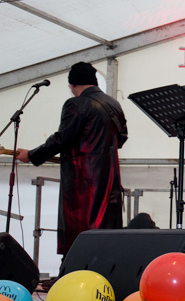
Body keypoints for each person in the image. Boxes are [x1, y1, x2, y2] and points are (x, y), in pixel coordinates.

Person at [15, 62, 127, 256]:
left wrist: (31, 155)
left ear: (73, 84)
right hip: (109, 180)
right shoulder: (113, 104)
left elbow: (62, 139)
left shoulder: (76, 104)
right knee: (106, 238)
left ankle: (74, 269)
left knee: (80, 238)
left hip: (84, 183)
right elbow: (121, 138)